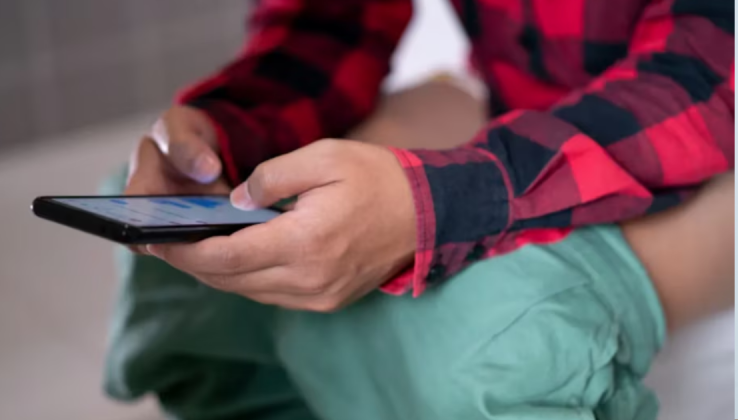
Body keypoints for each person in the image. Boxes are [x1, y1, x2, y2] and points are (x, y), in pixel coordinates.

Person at [105, 0, 734, 418]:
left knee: (498, 332)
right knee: (204, 252)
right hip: (529, 103)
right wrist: (230, 125)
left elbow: (704, 77)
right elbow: (332, 20)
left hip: (707, 114)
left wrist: (445, 201)